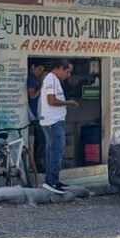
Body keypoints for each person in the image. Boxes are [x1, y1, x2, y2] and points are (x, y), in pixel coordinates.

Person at [40, 59, 78, 195]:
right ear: (61, 68)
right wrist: (68, 103)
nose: (68, 75)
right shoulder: (51, 79)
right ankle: (52, 182)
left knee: (52, 151)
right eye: (67, 72)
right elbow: (51, 101)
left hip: (54, 121)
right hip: (53, 122)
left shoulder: (54, 80)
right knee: (57, 151)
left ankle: (52, 179)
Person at [27, 62, 46, 172]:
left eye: (42, 71)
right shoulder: (31, 78)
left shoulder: (35, 79)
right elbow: (32, 95)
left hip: (36, 115)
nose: (40, 72)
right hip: (34, 116)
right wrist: (42, 88)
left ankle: (38, 164)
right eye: (39, 69)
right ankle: (39, 164)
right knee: (41, 141)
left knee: (40, 141)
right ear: (33, 66)